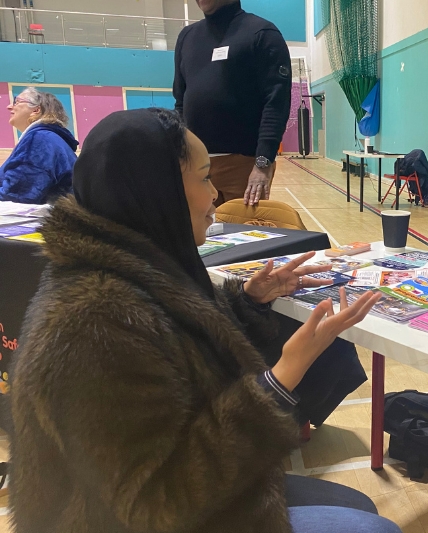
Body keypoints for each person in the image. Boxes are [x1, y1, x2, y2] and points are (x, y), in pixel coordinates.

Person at [9, 108, 401, 533]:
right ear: (157, 191)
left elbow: (177, 343)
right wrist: (280, 379)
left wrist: (248, 300)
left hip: (177, 500)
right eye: (203, 177)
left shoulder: (130, 270)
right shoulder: (93, 325)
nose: (214, 194)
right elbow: (158, 505)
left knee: (358, 504)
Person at [174, 0, 291, 207]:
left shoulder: (262, 33)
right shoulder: (186, 37)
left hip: (243, 166)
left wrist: (263, 163)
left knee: (243, 237)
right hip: (196, 166)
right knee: (202, 238)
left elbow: (276, 103)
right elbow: (180, 102)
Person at [0, 87, 78, 204]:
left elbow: (19, 194)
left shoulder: (40, 139)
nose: (9, 106)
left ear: (36, 110)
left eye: (17, 101)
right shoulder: (46, 137)